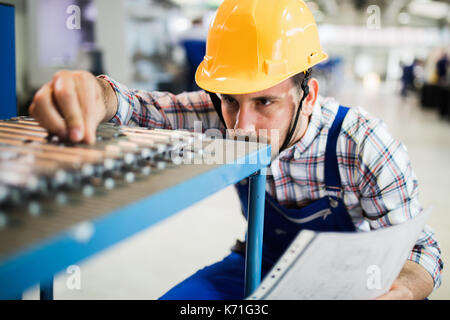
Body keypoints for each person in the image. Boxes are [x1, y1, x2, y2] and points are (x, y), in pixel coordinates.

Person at [28, 0, 443, 300]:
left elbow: (423, 251)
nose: (241, 126)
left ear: (309, 95)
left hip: (349, 284)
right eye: (229, 100)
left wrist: (403, 289)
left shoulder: (362, 144)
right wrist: (93, 94)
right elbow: (134, 106)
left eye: (265, 102)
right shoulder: (218, 113)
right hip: (259, 264)